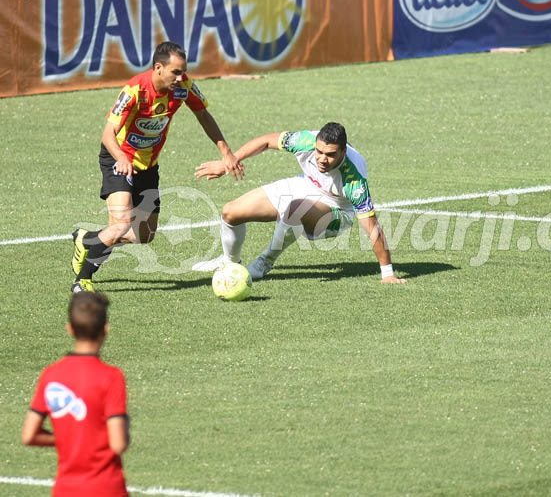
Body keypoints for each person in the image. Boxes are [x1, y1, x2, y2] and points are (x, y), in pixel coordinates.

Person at [70, 41, 244, 293]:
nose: (180, 77)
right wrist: (121, 158)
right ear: (158, 67)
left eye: (183, 71)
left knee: (144, 235)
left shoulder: (183, 87)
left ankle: (87, 239)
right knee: (120, 224)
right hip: (118, 160)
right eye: (175, 72)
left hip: (148, 166)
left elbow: (203, 115)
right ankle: (82, 280)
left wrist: (226, 152)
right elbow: (108, 135)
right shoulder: (134, 91)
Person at [191, 122, 406, 283]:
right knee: (231, 212)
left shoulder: (353, 177)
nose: (322, 159)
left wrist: (387, 273)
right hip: (306, 185)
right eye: (319, 151)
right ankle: (230, 263)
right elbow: (266, 141)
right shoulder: (305, 141)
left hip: (337, 210)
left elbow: (372, 226)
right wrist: (230, 161)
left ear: (343, 151)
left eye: (330, 155)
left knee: (296, 209)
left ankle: (265, 262)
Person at [21, 292, 129, 496]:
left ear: (70, 329)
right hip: (107, 489)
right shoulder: (111, 377)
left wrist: (69, 437)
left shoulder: (51, 375)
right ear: (105, 330)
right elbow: (118, 443)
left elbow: (29, 435)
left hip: (66, 489)